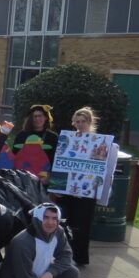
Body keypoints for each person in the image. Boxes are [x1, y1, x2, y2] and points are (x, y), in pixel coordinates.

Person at [56, 107, 100, 266]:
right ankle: (63, 255)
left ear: (90, 122)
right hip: (67, 191)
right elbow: (61, 163)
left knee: (82, 225)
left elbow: (100, 169)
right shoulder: (68, 139)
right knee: (65, 223)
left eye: (83, 121)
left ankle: (79, 258)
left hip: (86, 192)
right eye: (77, 121)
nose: (80, 124)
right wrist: (58, 186)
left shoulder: (98, 142)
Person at [12, 104, 59, 182]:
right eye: (34, 116)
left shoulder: (53, 137)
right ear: (30, 119)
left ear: (46, 118)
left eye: (40, 116)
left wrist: (49, 176)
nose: (37, 119)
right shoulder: (21, 135)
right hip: (23, 178)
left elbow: (56, 159)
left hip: (44, 179)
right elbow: (14, 156)